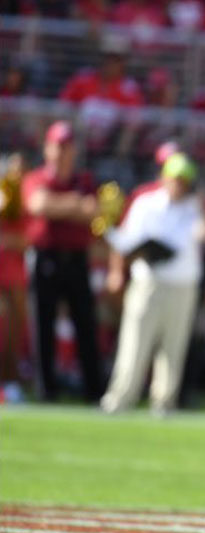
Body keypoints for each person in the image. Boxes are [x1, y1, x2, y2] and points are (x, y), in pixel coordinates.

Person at [100, 154, 205, 414]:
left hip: (183, 286)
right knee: (134, 343)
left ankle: (164, 402)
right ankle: (119, 399)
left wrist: (202, 206)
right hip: (148, 282)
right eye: (176, 179)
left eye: (185, 181)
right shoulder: (145, 204)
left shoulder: (194, 209)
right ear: (164, 178)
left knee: (173, 348)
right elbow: (126, 240)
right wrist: (120, 270)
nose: (180, 186)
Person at [21, 121, 104, 402]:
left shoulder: (85, 181)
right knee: (43, 326)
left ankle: (94, 391)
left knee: (86, 324)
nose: (62, 151)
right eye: (57, 145)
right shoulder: (36, 178)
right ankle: (47, 390)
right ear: (47, 148)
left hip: (77, 259)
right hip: (46, 258)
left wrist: (61, 206)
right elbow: (39, 205)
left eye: (67, 146)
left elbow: (93, 213)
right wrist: (74, 205)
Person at [0, 153, 29, 396]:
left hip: (16, 276)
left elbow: (29, 238)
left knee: (13, 332)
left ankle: (11, 382)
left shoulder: (26, 200)